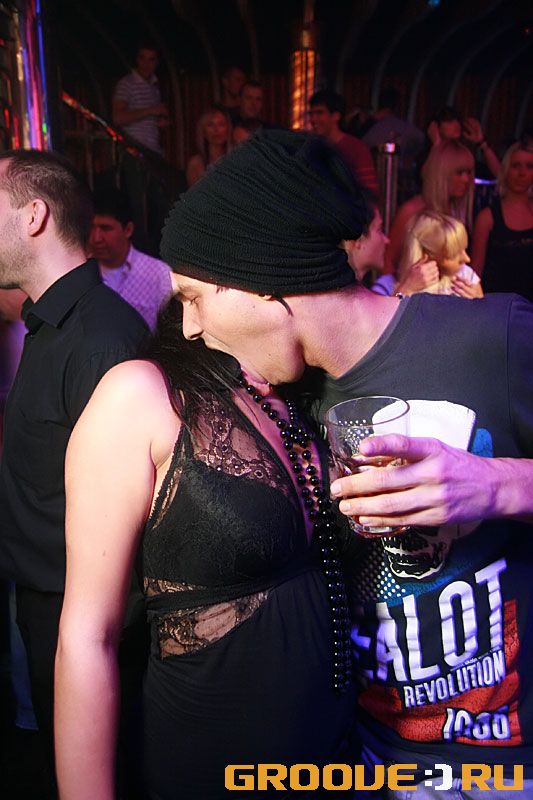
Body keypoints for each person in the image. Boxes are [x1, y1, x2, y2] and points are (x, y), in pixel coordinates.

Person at [56, 130, 533, 799]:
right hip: (357, 762)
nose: (187, 327)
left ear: (264, 284)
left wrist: (500, 484)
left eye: (194, 297)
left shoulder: (493, 337)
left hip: (492, 766)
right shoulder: (286, 397)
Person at [0, 149, 148, 799]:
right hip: (46, 605)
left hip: (83, 623)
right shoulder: (51, 322)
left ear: (34, 216)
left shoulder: (99, 339)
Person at [384, 139, 474, 275]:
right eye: (459, 173)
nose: (466, 179)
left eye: (469, 173)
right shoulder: (410, 211)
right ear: (441, 173)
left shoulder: (457, 212)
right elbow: (388, 262)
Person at [90, 189, 172, 330]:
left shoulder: (159, 275)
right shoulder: (82, 273)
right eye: (91, 228)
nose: (97, 238)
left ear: (128, 230)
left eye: (106, 228)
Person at [471, 140, 533, 301]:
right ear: (506, 170)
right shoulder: (487, 218)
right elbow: (475, 274)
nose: (522, 173)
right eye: (516, 166)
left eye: (529, 166)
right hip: (497, 306)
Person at [397, 210, 482, 297]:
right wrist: (405, 290)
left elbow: (482, 303)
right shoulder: (391, 283)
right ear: (427, 256)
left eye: (464, 249)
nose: (467, 259)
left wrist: (478, 301)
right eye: (454, 255)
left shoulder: (466, 276)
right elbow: (393, 305)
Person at [310, 89, 378, 193]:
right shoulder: (311, 147)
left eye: (319, 113)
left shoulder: (356, 148)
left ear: (336, 116)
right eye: (311, 114)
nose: (313, 119)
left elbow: (369, 191)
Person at [112, 44, 168, 156]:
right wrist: (150, 111)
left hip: (151, 150)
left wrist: (158, 122)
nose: (146, 64)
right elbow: (118, 118)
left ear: (157, 63)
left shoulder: (154, 87)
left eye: (151, 60)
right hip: (133, 150)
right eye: (142, 58)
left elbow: (147, 120)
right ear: (137, 59)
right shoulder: (126, 83)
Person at [185, 105, 232, 187]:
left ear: (228, 129)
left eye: (221, 124)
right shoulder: (195, 163)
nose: (216, 130)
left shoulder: (235, 159)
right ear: (203, 131)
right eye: (210, 125)